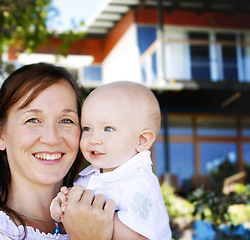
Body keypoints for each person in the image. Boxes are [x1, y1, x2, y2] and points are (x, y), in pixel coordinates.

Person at [0, 62, 116, 240]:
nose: (52, 138)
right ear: (0, 135)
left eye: (66, 120)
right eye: (33, 120)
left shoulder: (114, 214)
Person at [50, 81, 172, 240]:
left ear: (141, 140)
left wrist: (85, 218)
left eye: (108, 129)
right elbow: (72, 214)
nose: (94, 139)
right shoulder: (90, 177)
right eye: (87, 128)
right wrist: (61, 206)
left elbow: (136, 235)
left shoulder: (140, 184)